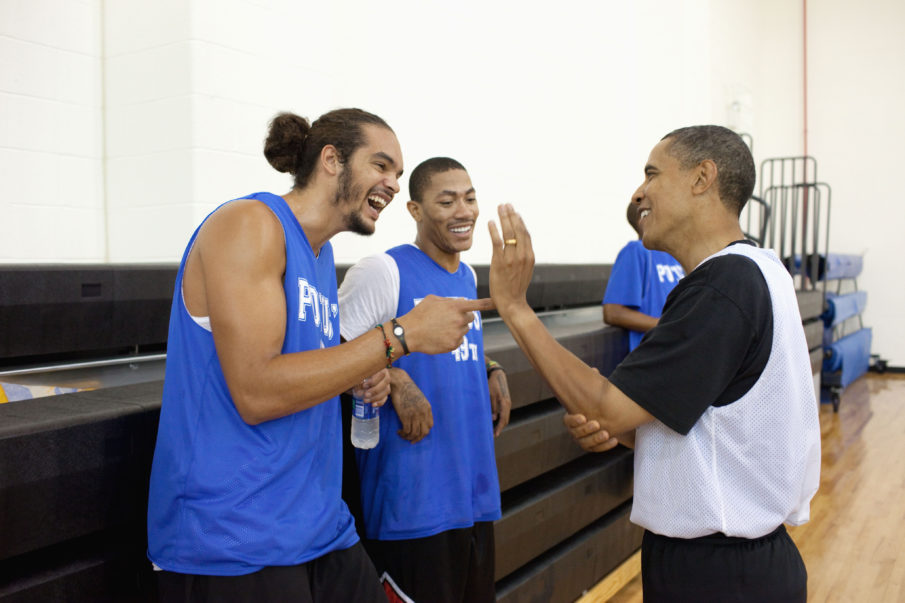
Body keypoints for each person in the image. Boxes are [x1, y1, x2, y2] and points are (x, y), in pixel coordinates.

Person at [146, 109, 492, 603]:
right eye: (381, 165)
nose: (394, 184)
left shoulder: (320, 255)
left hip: (320, 527)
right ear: (332, 160)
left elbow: (306, 368)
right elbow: (258, 391)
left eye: (397, 173)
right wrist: (399, 336)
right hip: (233, 540)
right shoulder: (249, 224)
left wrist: (364, 374)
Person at [485, 125, 820, 602]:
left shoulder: (723, 284)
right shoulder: (762, 270)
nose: (638, 193)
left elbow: (604, 409)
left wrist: (515, 308)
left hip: (720, 574)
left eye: (652, 174)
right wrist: (627, 430)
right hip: (741, 564)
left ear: (702, 177)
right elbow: (718, 426)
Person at [337, 157, 509, 602]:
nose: (463, 211)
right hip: (410, 509)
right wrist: (395, 378)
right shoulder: (382, 271)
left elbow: (446, 348)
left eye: (469, 199)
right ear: (414, 210)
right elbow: (331, 358)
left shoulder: (468, 276)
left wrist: (489, 366)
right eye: (446, 202)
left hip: (472, 499)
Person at [603, 201, 684, 351]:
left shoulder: (674, 256)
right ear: (643, 218)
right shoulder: (636, 251)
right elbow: (613, 312)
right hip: (655, 354)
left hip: (678, 351)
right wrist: (671, 327)